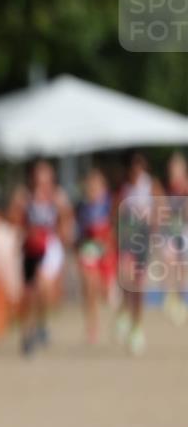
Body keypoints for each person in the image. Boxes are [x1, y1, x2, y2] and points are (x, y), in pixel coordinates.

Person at [11, 159, 73, 355]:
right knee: (29, 294)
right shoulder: (25, 196)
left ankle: (41, 324)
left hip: (49, 247)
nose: (42, 180)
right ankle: (27, 333)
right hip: (30, 248)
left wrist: (64, 235)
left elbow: (66, 219)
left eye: (45, 175)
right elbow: (14, 219)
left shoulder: (57, 196)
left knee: (41, 285)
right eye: (39, 175)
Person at [115, 150, 162, 355]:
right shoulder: (125, 188)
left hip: (142, 237)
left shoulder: (150, 185)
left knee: (138, 284)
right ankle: (126, 311)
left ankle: (137, 326)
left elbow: (161, 207)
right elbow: (116, 212)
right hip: (128, 236)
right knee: (126, 277)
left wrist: (153, 227)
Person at [74, 167, 114, 344]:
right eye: (90, 185)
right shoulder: (82, 206)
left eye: (96, 185)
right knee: (89, 286)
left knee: (104, 293)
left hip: (105, 250)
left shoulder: (109, 203)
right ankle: (92, 326)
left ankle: (116, 314)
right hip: (88, 249)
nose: (93, 188)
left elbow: (114, 227)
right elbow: (78, 231)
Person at [162, 151, 188, 326]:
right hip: (172, 231)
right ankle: (174, 298)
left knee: (182, 266)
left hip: (184, 230)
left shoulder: (185, 186)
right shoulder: (168, 187)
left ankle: (180, 298)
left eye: (176, 167)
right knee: (170, 262)